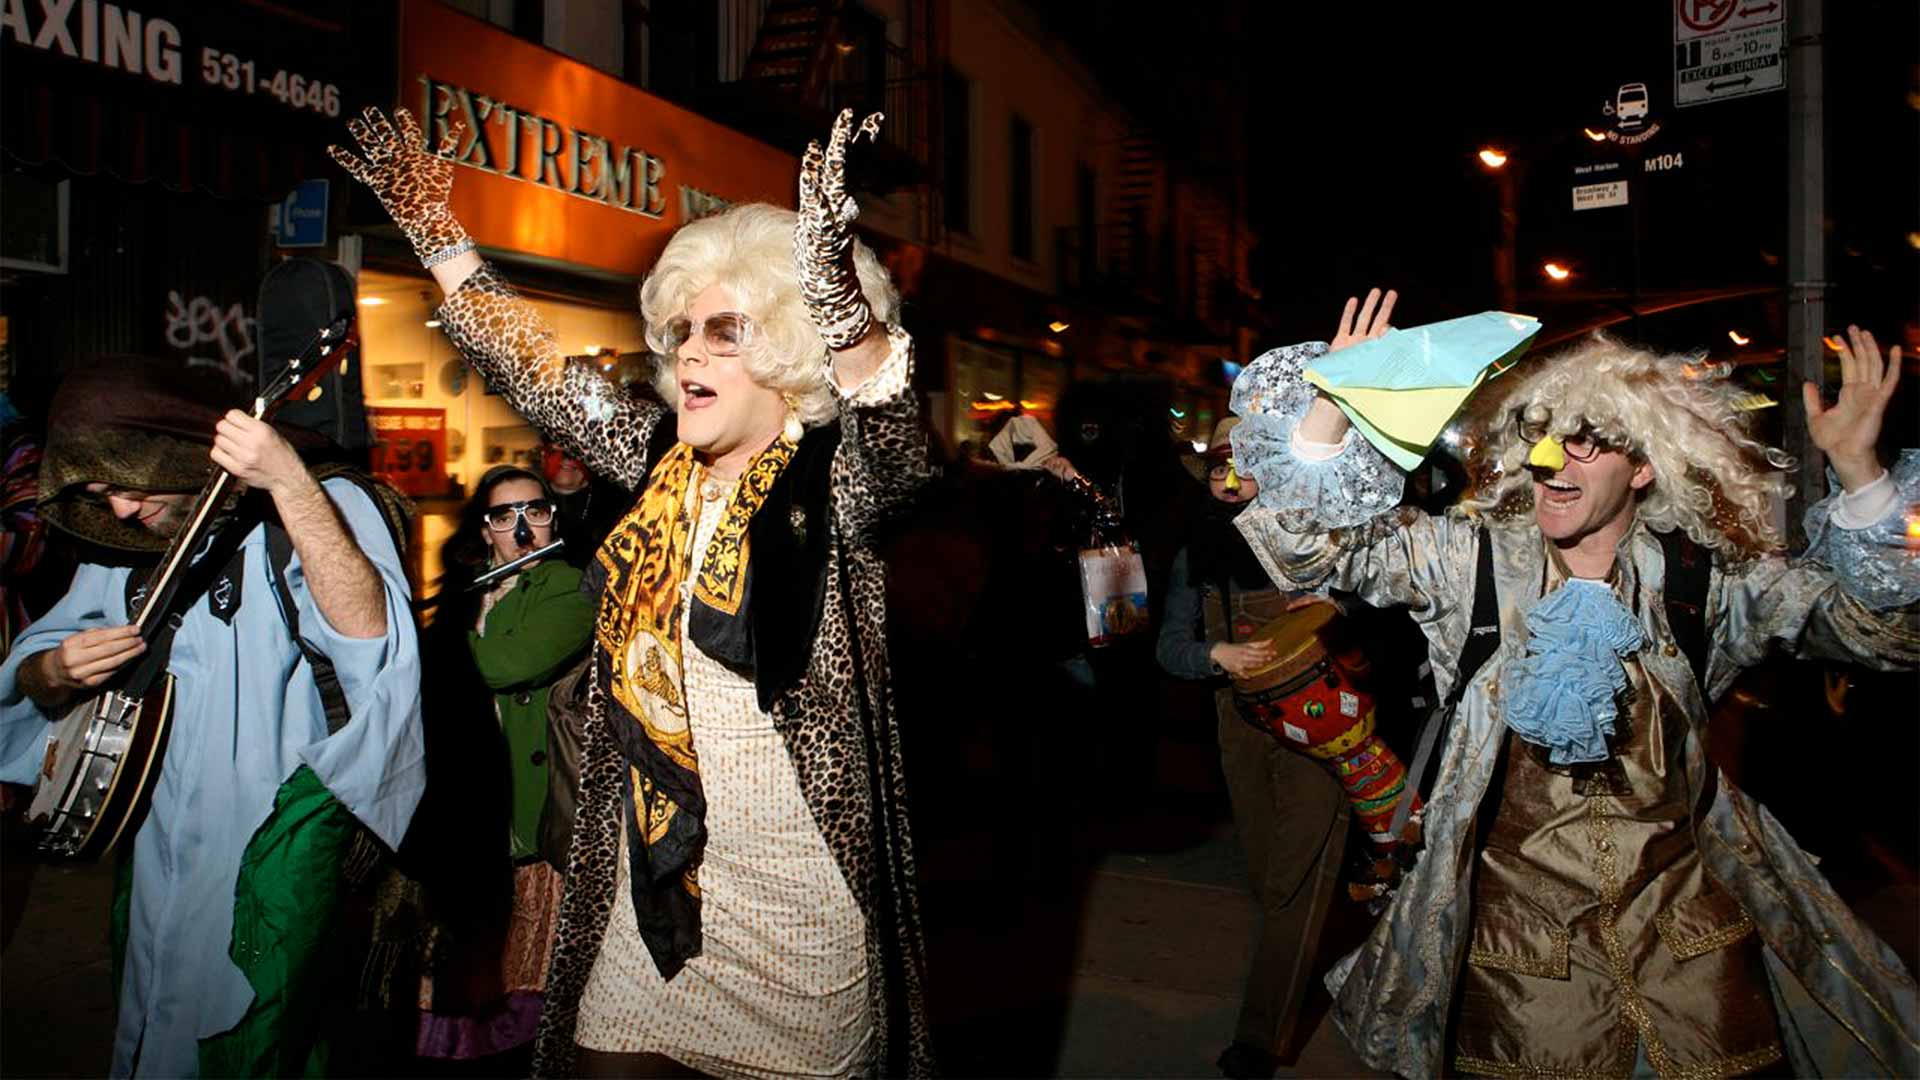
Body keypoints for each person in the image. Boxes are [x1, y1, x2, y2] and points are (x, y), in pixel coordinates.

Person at [332, 107, 934, 1077]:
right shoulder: (657, 464)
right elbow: (537, 371)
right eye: (683, 330)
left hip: (798, 911)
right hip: (654, 891)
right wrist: (439, 239)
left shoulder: (835, 487)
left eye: (726, 333)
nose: (689, 353)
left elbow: (903, 454)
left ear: (790, 351)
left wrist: (847, 316)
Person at [1230, 289, 1919, 1077]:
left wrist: (1860, 473)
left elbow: (1882, 635)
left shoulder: (1702, 582)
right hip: (1518, 960)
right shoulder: (1470, 561)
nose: (1552, 460)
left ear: (1645, 465)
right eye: (1543, 437)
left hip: (1692, 951)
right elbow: (1309, 548)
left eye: (1587, 441)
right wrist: (1332, 406)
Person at [0, 355, 423, 1078]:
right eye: (100, 495)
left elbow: (375, 643)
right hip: (155, 848)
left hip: (272, 845)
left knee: (264, 1039)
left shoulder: (323, 503)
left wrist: (288, 483)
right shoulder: (128, 541)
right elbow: (32, 666)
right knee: (153, 1027)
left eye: (126, 485)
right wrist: (54, 670)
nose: (121, 511)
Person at [1156, 415, 1349, 1079]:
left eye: (1246, 467)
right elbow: (1169, 647)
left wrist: (1336, 607)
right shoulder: (1195, 554)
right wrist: (1216, 654)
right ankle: (1340, 967)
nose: (1232, 481)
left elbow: (1382, 604)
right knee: (1271, 880)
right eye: (1220, 469)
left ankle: (1259, 1039)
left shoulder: (1313, 539)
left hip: (1319, 726)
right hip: (1239, 730)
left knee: (1298, 880)